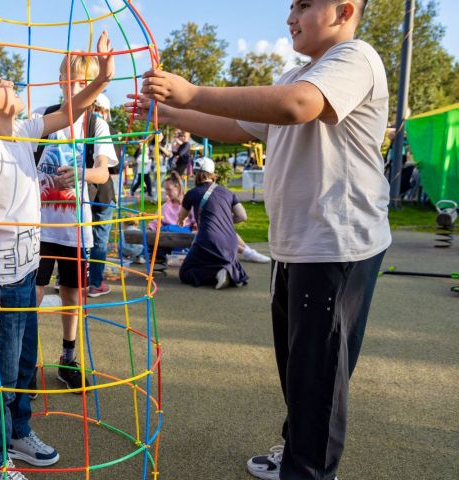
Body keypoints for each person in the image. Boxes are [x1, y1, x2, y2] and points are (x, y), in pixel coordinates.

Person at [133, 0, 389, 478]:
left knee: (318, 377)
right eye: (290, 6)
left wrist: (193, 92)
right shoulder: (298, 74)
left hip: (336, 244)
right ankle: (295, 451)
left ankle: (307, 469)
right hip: (298, 243)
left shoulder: (355, 58)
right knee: (299, 367)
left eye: (305, 5)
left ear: (344, 11)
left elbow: (297, 108)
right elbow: (239, 124)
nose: (290, 16)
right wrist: (171, 114)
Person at [0, 31, 113, 480]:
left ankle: (19, 432)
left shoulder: (20, 131)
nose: (10, 79)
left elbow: (68, 113)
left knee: (22, 367)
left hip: (23, 277)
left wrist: (103, 79)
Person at [33, 53, 118, 391]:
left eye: (80, 80)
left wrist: (80, 173)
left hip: (75, 228)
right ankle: (25, 361)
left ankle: (68, 358)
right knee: (33, 291)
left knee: (73, 292)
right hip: (37, 225)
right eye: (66, 77)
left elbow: (102, 172)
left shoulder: (95, 124)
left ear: (93, 85)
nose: (72, 85)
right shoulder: (43, 116)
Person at [176, 157, 249, 289]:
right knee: (220, 259)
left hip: (208, 239)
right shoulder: (228, 192)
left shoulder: (192, 193)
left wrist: (181, 220)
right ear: (212, 174)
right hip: (231, 241)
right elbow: (242, 216)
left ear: (196, 173)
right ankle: (227, 271)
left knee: (185, 272)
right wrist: (223, 220)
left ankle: (217, 272)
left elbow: (181, 216)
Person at [86, 93, 118, 298]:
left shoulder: (75, 125)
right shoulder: (107, 130)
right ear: (104, 111)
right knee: (99, 239)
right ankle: (95, 283)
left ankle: (68, 279)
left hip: (81, 188)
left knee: (77, 236)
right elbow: (113, 167)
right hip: (103, 191)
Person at [130, 134, 155, 200]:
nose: (147, 151)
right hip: (141, 172)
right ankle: (132, 190)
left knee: (148, 182)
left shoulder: (147, 156)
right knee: (139, 182)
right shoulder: (141, 156)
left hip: (146, 172)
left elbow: (149, 163)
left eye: (147, 150)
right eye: (145, 150)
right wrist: (146, 162)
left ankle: (149, 192)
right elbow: (138, 161)